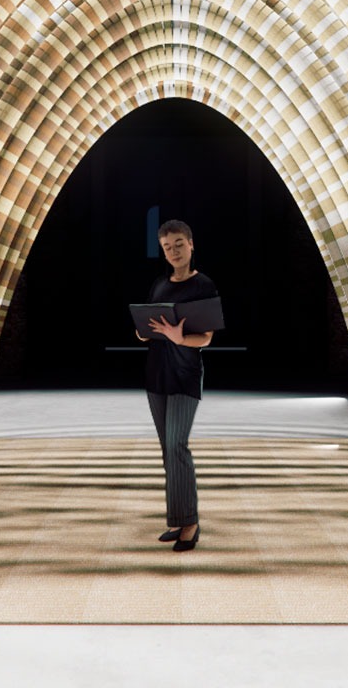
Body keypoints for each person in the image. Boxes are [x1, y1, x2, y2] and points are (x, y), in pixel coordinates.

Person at [137, 218, 215, 551]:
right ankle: (179, 519)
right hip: (156, 375)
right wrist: (143, 332)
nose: (173, 251)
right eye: (167, 247)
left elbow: (206, 339)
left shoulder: (204, 286)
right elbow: (151, 325)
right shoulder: (159, 284)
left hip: (184, 375)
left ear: (191, 244)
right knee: (167, 451)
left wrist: (178, 338)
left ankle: (191, 523)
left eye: (179, 244)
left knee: (177, 446)